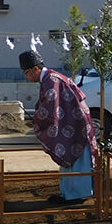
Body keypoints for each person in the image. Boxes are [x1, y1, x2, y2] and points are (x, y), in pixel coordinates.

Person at [20, 50, 97, 203]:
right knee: (71, 159)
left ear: (35, 69)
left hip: (76, 126)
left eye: (26, 72)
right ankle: (69, 194)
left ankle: (76, 195)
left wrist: (36, 120)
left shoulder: (52, 81)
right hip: (73, 123)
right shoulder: (50, 79)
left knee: (75, 159)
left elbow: (49, 109)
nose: (26, 77)